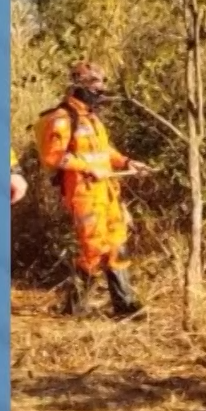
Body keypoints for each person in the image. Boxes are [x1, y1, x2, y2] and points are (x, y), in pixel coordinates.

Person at [35, 61, 153, 316]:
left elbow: (104, 151)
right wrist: (87, 168)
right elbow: (54, 157)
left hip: (108, 192)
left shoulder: (92, 118)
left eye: (101, 85)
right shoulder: (62, 119)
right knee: (94, 248)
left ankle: (125, 305)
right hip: (84, 193)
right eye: (95, 85)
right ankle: (73, 308)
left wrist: (128, 162)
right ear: (79, 86)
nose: (100, 91)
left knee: (117, 243)